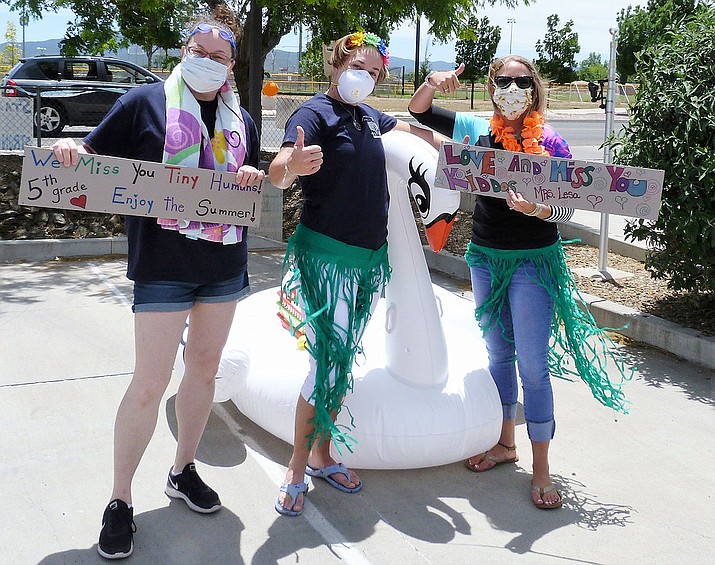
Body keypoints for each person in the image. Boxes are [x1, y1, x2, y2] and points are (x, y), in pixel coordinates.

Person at [52, 17, 263, 558]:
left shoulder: (241, 117)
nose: (210, 61)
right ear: (183, 51)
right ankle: (120, 499)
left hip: (222, 264)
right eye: (200, 50)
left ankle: (182, 469)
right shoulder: (144, 102)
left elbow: (251, 176)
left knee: (203, 372)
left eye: (220, 55)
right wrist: (77, 155)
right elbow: (95, 156)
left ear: (231, 65)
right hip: (163, 263)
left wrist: (253, 179)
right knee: (149, 383)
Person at [409, 56, 630, 509]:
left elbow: (570, 209)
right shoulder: (475, 132)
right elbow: (418, 112)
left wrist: (539, 210)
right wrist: (434, 83)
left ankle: (542, 467)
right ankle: (505, 443)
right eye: (502, 81)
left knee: (532, 364)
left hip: (533, 262)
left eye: (520, 81)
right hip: (486, 257)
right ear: (491, 87)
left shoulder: (550, 142)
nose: (510, 88)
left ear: (534, 88)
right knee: (497, 354)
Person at [268, 31, 450, 517]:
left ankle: (323, 455)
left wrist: (456, 151)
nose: (364, 77)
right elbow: (279, 168)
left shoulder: (370, 116)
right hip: (327, 257)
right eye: (358, 66)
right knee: (326, 361)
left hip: (367, 260)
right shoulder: (313, 114)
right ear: (337, 63)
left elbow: (412, 134)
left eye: (373, 72)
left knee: (341, 359)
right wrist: (293, 165)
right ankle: (297, 467)